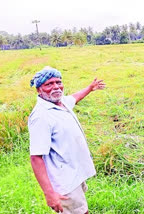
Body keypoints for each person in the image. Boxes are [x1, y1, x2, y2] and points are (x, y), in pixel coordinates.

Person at [28, 66, 105, 214]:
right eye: (49, 84)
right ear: (39, 89)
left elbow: (75, 97)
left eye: (58, 82)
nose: (56, 87)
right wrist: (49, 194)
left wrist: (90, 88)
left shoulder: (60, 103)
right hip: (64, 180)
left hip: (74, 172)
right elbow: (36, 158)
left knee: (81, 208)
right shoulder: (41, 116)